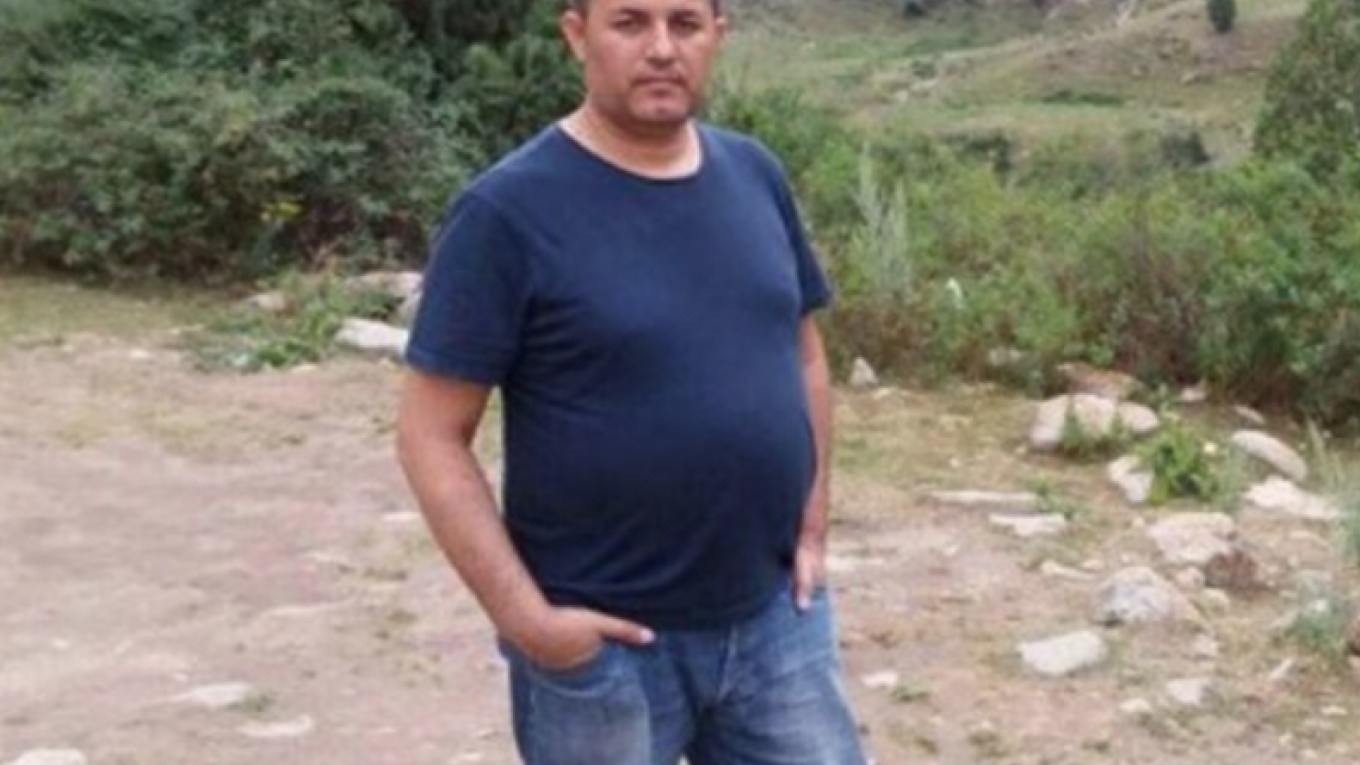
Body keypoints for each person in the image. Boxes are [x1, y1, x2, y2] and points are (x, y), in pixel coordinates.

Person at [395, 0, 867, 762]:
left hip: (777, 620)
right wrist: (530, 623)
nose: (661, 48)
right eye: (630, 23)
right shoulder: (506, 212)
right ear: (576, 35)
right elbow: (430, 433)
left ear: (718, 37)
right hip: (602, 651)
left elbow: (804, 354)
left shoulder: (755, 174)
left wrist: (812, 524)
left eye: (685, 24)